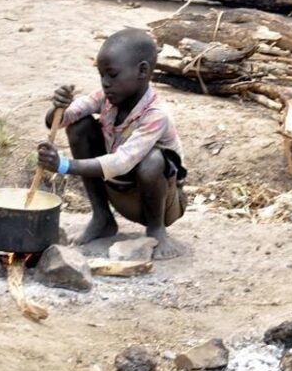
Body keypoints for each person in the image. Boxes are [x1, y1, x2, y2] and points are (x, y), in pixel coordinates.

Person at [37, 28, 187, 259]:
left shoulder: (156, 114)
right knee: (80, 126)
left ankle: (157, 230)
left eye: (112, 75)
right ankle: (102, 217)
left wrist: (63, 165)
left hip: (162, 203)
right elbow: (65, 119)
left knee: (152, 160)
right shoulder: (106, 98)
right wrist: (58, 107)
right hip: (119, 190)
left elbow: (120, 162)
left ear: (143, 71)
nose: (105, 83)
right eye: (102, 76)